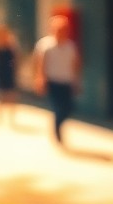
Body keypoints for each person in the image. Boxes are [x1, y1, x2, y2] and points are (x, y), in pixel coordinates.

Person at [33, 15, 81, 146]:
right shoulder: (45, 45)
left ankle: (58, 125)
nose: (62, 32)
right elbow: (40, 63)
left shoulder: (71, 46)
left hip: (66, 81)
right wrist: (40, 79)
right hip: (52, 81)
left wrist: (76, 81)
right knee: (58, 108)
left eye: (64, 29)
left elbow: (75, 65)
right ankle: (57, 131)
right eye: (59, 29)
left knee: (68, 108)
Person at [0, 25, 20, 128]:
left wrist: (17, 72)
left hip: (9, 71)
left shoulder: (12, 44)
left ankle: (11, 117)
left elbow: (17, 58)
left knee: (11, 95)